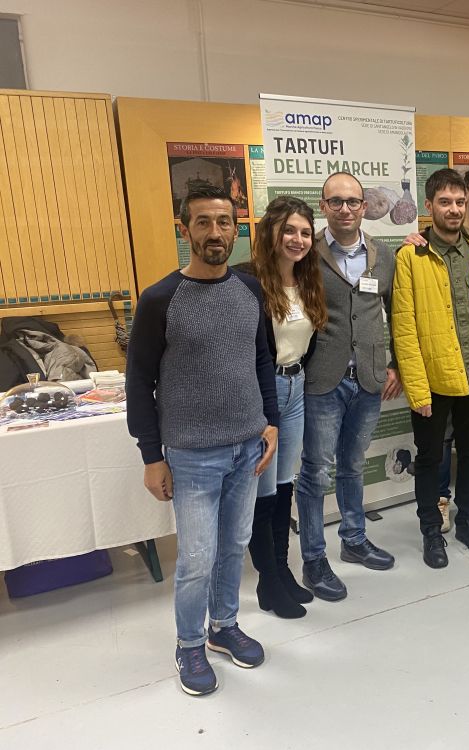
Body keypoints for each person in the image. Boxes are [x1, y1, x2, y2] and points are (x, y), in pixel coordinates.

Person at [125, 185, 278, 696]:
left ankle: (222, 626)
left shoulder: (251, 289)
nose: (216, 232)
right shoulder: (160, 298)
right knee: (195, 556)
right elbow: (139, 380)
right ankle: (189, 643)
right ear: (183, 228)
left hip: (247, 447)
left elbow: (261, 359)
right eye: (204, 222)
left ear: (238, 228)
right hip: (192, 453)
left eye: (225, 222)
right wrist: (151, 456)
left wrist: (270, 420)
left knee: (234, 544)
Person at [392, 168, 469, 568]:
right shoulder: (412, 255)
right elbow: (404, 328)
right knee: (429, 457)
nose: (455, 209)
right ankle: (430, 530)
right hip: (435, 379)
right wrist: (417, 389)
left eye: (460, 202)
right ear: (429, 206)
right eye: (445, 202)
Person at [295, 172, 401, 602]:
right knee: (315, 472)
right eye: (335, 202)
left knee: (353, 466)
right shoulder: (305, 254)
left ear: (365, 207)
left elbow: (394, 312)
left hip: (370, 380)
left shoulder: (384, 256)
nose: (345, 209)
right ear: (323, 206)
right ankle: (314, 559)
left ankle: (354, 540)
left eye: (353, 202)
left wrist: (392, 363)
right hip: (323, 379)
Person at [243, 197, 326, 619]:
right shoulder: (247, 282)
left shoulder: (308, 280)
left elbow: (306, 342)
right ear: (271, 233)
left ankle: (283, 571)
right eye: (289, 230)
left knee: (284, 486)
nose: (297, 239)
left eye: (305, 232)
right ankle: (268, 579)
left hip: (296, 386)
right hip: (263, 392)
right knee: (263, 492)